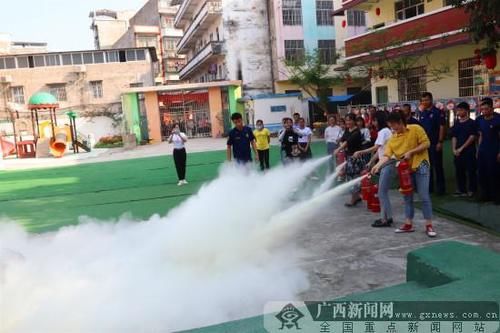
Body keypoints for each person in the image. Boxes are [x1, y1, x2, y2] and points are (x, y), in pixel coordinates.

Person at [371, 111, 436, 237]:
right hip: (406, 170)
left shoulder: (416, 129)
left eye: (393, 126)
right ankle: (408, 224)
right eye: (390, 126)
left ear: (400, 122)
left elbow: (426, 143)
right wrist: (377, 165)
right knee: (407, 197)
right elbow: (387, 156)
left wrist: (411, 152)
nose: (392, 129)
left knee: (424, 196)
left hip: (421, 165)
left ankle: (429, 225)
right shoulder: (392, 139)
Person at [353, 111, 393, 227]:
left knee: (381, 193)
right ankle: (388, 217)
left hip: (386, 164)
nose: (373, 123)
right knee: (383, 192)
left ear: (378, 120)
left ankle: (384, 219)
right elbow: (380, 150)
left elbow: (375, 147)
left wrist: (360, 152)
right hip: (385, 163)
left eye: (374, 120)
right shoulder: (386, 131)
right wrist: (371, 162)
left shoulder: (383, 131)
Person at [418, 92, 446, 195]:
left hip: (435, 143)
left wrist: (440, 141)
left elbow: (442, 127)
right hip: (425, 145)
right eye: (423, 100)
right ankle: (429, 188)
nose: (425, 102)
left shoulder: (438, 112)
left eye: (427, 100)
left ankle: (441, 189)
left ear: (431, 100)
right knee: (426, 166)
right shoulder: (422, 113)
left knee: (438, 166)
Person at [334, 113, 364, 207]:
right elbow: (344, 138)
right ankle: (357, 196)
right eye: (346, 120)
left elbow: (348, 141)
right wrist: (339, 140)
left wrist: (339, 149)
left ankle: (353, 199)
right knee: (351, 177)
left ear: (354, 121)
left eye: (350, 120)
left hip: (355, 158)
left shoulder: (357, 132)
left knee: (353, 178)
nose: (348, 122)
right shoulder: (347, 129)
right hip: (349, 157)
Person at [476, 97, 500, 204]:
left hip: (494, 150)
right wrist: (478, 150)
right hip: (483, 150)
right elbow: (480, 135)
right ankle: (485, 195)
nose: (484, 111)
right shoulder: (479, 120)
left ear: (491, 108)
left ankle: (496, 196)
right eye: (482, 109)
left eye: (486, 109)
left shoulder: (498, 119)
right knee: (482, 173)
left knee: (494, 173)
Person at [451, 102, 477, 197]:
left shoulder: (472, 123)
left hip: (469, 151)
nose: (459, 112)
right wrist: (454, 149)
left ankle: (472, 189)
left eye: (461, 110)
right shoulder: (456, 123)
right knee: (459, 171)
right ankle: (462, 190)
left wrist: (461, 148)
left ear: (466, 111)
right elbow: (454, 136)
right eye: (458, 110)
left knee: (471, 171)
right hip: (458, 152)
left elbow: (472, 137)